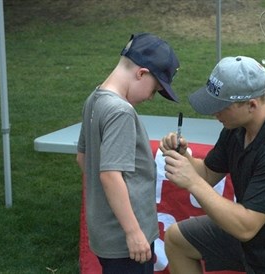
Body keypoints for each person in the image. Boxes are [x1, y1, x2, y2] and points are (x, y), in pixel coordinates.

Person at [160, 56, 265, 273]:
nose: (214, 113)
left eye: (221, 106)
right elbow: (209, 173)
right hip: (252, 241)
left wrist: (192, 182)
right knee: (177, 239)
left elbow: (246, 227)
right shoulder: (236, 127)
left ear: (251, 105)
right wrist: (185, 158)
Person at [76, 32, 179, 273]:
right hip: (128, 240)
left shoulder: (94, 99)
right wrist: (133, 232)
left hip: (106, 233)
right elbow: (110, 175)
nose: (151, 97)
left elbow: (82, 158)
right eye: (155, 89)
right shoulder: (121, 112)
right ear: (141, 73)